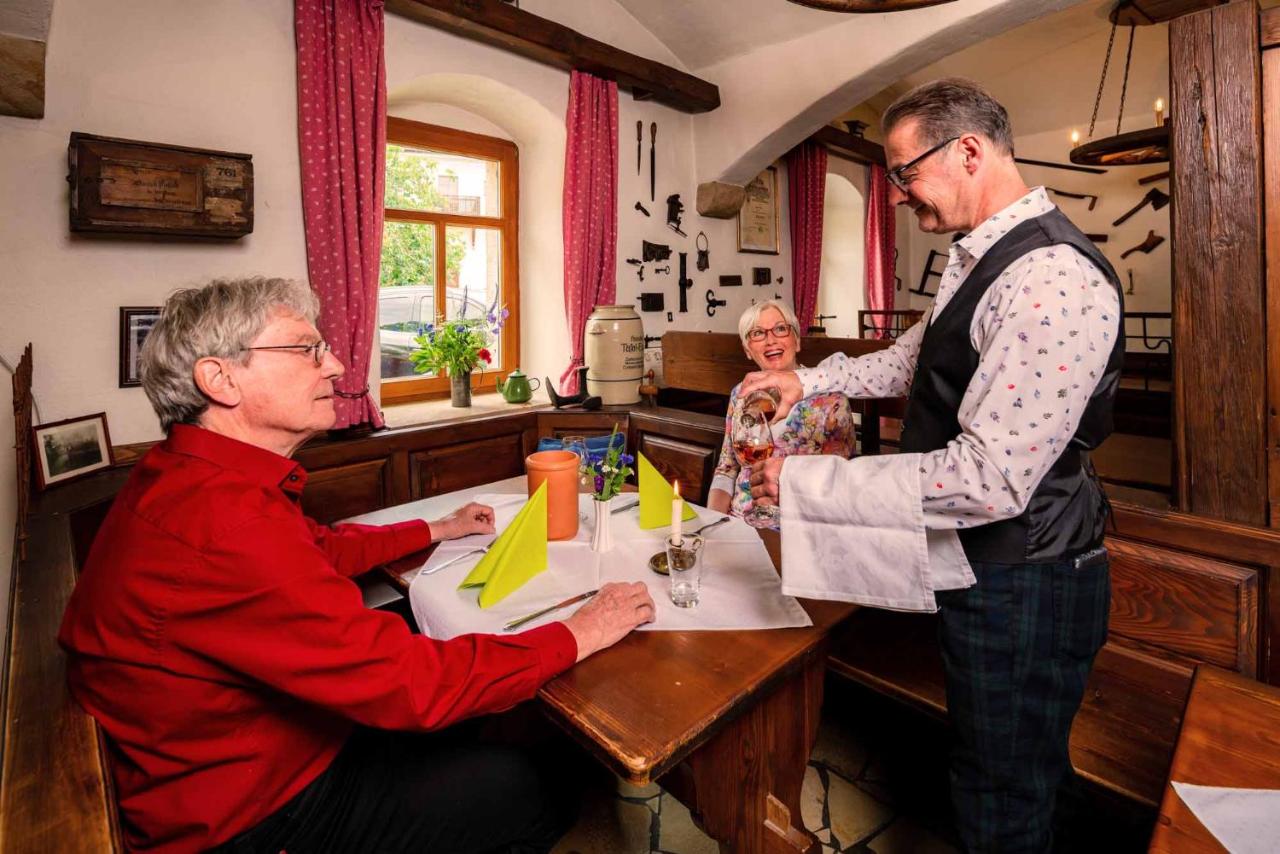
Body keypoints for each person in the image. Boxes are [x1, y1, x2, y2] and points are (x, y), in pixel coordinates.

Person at [58, 277, 655, 853]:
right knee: (537, 788)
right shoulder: (227, 522)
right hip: (257, 813)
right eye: (306, 349)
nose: (337, 365)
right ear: (220, 379)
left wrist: (435, 528)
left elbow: (314, 550)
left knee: (478, 697)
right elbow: (413, 685)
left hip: (257, 752)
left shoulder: (191, 476)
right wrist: (580, 630)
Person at [740, 79, 1123, 852]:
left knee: (1001, 790)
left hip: (1029, 576)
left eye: (904, 172)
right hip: (986, 569)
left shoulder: (1050, 276)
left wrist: (811, 483)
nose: (895, 194)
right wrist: (807, 380)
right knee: (1014, 767)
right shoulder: (978, 258)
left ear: (969, 151)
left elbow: (989, 478)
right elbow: (912, 360)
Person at [707, 299, 855, 526]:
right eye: (758, 333)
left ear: (797, 341)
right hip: (738, 522)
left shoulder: (831, 400)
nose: (770, 340)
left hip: (798, 526)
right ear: (748, 350)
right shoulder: (741, 393)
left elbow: (837, 482)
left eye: (780, 329)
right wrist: (713, 523)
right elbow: (726, 470)